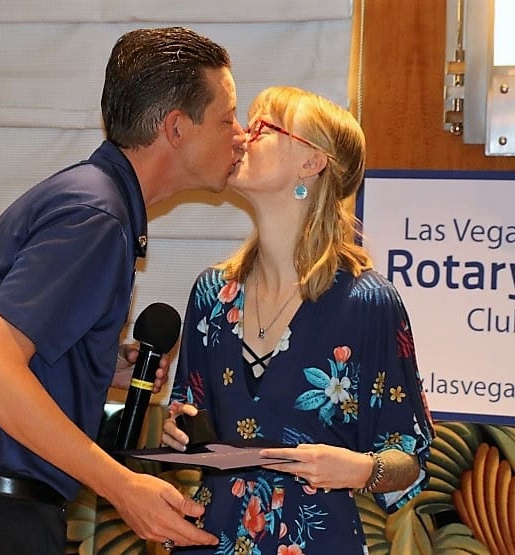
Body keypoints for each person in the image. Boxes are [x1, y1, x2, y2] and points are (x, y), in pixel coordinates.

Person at [0, 27, 246, 554]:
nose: (241, 134)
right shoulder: (95, 217)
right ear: (176, 127)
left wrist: (94, 363)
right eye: (227, 119)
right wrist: (122, 485)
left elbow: (14, 353)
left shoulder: (91, 199)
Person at [162, 86, 435, 553]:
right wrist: (177, 430)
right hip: (212, 536)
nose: (242, 135)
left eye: (264, 127)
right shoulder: (211, 295)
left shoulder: (368, 303)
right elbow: (188, 417)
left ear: (312, 162)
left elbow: (409, 455)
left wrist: (361, 469)